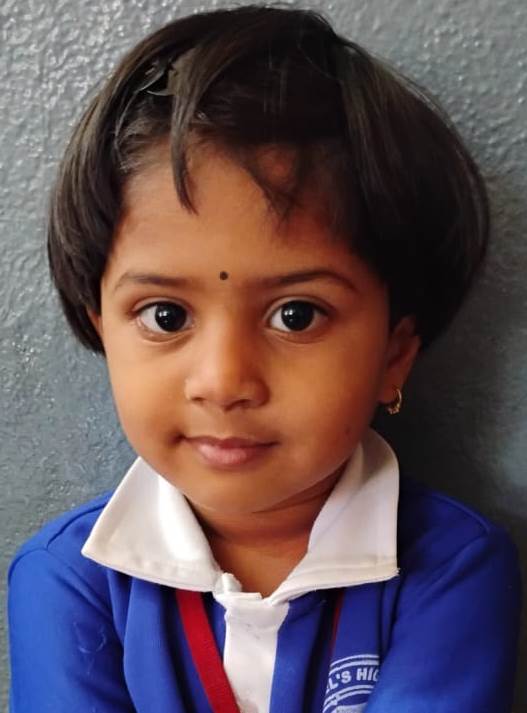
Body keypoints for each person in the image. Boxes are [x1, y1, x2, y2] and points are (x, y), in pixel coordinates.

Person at [7, 4, 521, 712]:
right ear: (104, 333)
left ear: (393, 356)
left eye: (296, 315)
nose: (223, 382)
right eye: (165, 316)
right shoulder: (67, 579)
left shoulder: (453, 567)